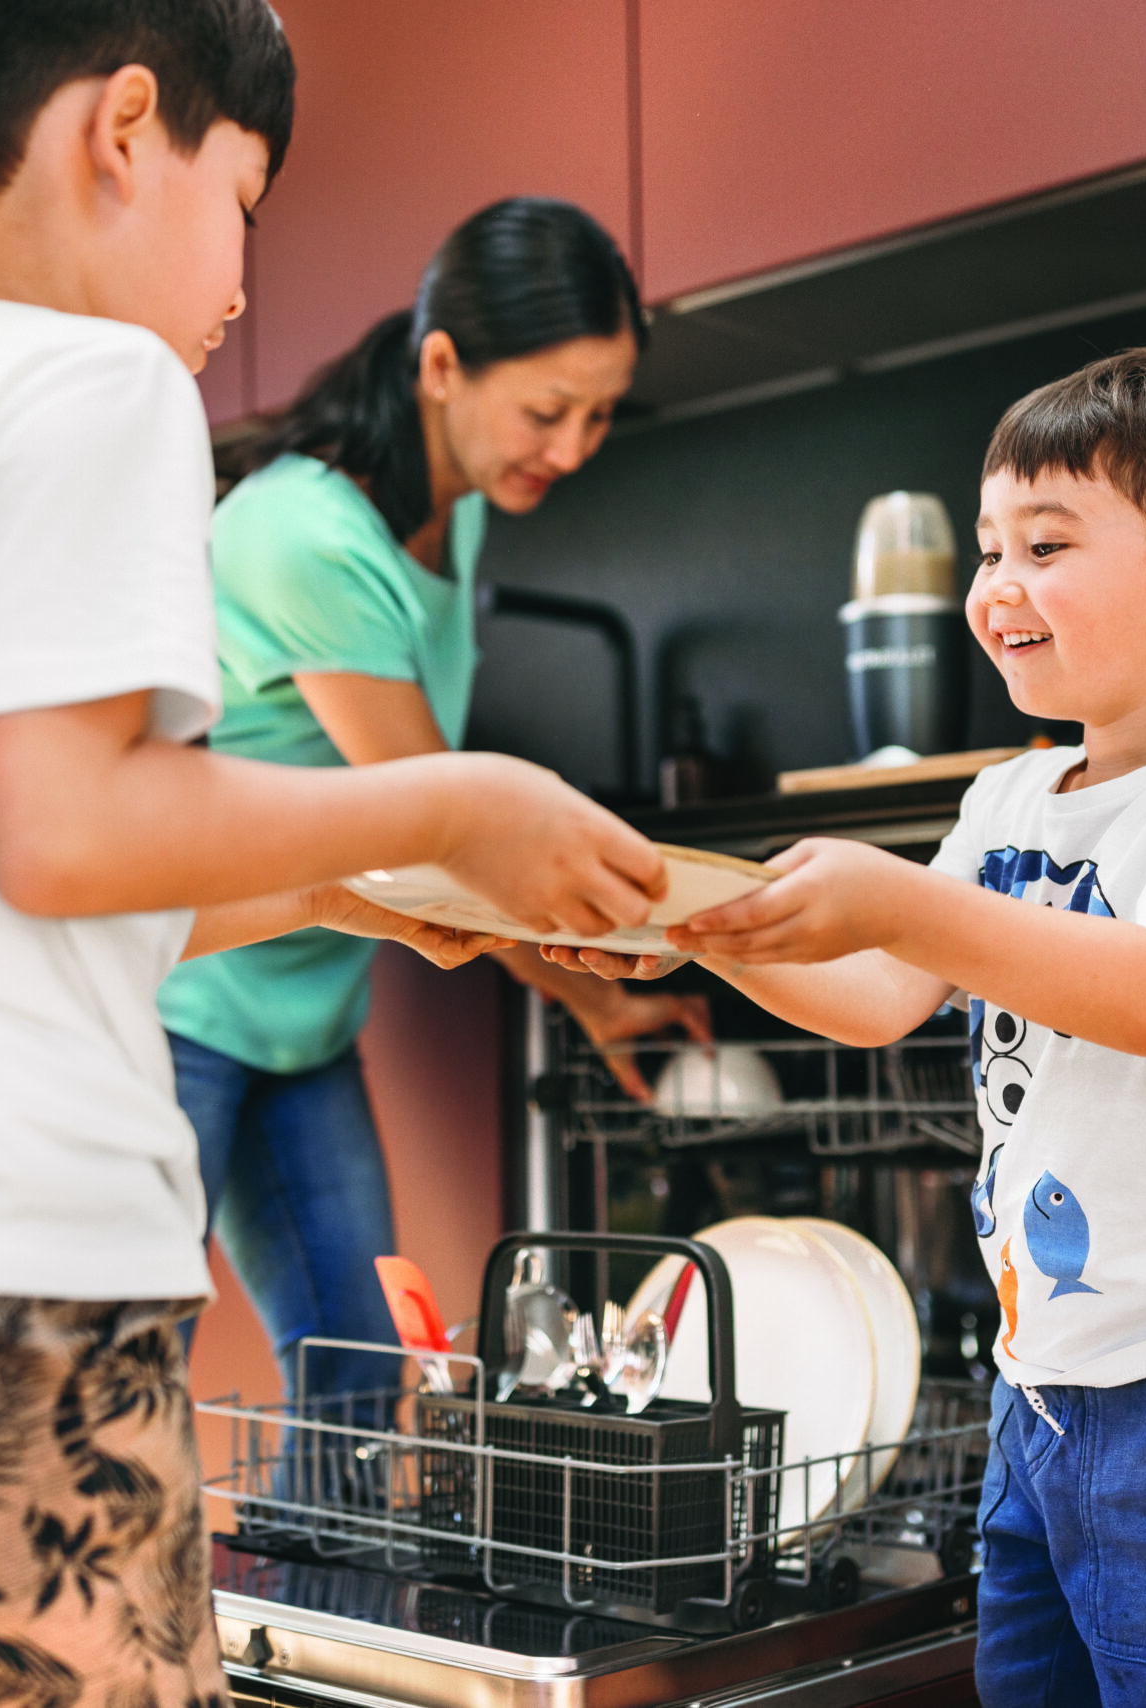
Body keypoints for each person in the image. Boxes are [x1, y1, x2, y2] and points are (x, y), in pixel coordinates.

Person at [0, 6, 665, 1707]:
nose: (242, 283)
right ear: (123, 129)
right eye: (241, 197)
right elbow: (70, 824)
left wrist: (329, 891)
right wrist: (456, 810)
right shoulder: (97, 379)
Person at [553, 346, 1146, 1707]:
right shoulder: (1007, 801)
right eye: (989, 547)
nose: (996, 588)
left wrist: (901, 906)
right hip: (1037, 1392)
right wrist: (693, 930)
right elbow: (877, 997)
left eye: (1045, 545)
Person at [159, 197, 708, 1412]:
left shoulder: (447, 511)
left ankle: (298, 1613)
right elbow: (438, 825)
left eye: (600, 413)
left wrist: (596, 1004)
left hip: (303, 1015)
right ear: (443, 365)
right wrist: (593, 983)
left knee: (356, 1384)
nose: (570, 448)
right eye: (545, 410)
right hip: (177, 1004)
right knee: (117, 1380)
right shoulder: (306, 533)